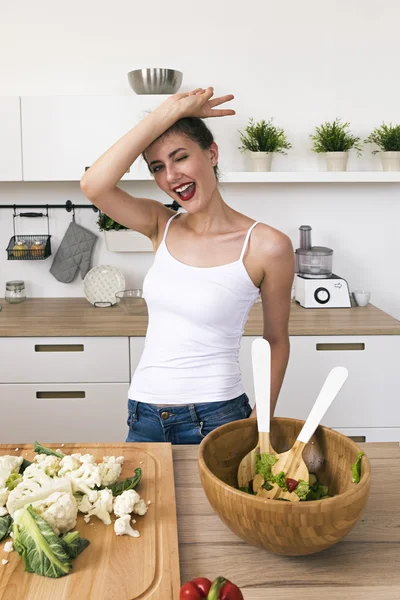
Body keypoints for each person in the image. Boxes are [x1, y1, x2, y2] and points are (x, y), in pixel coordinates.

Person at [80, 86, 295, 444]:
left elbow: (275, 340)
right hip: (143, 415)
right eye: (157, 167)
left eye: (180, 157)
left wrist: (261, 420)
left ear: (211, 153)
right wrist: (165, 113)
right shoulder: (159, 224)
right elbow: (94, 184)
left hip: (218, 417)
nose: (170, 177)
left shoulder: (266, 245)